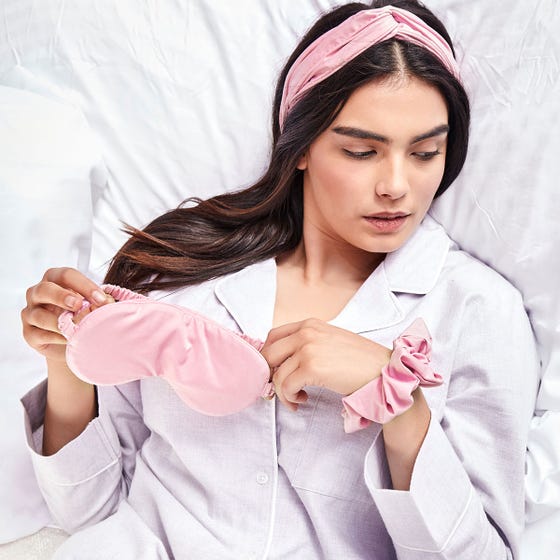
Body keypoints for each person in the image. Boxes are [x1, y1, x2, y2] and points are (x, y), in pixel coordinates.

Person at [20, 1, 539, 558]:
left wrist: (398, 402)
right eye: (361, 151)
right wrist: (65, 360)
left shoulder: (478, 309)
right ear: (301, 147)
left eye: (425, 152)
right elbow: (90, 509)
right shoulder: (180, 270)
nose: (396, 185)